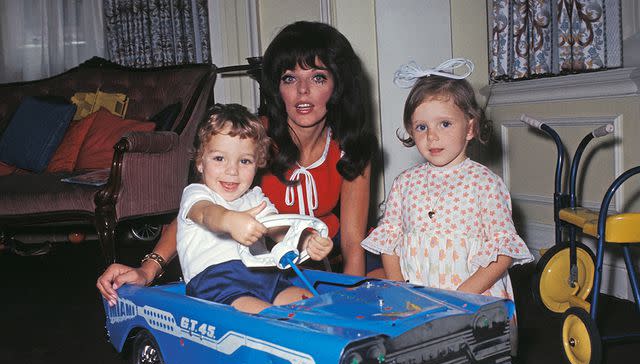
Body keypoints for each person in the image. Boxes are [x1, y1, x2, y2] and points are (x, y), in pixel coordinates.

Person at [97, 21, 377, 304]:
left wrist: (350, 306)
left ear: (337, 85)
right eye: (290, 78)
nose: (302, 91)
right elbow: (196, 211)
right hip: (249, 265)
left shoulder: (351, 145)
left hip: (317, 254)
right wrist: (147, 269)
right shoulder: (250, 139)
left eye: (318, 78)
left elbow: (354, 244)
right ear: (277, 87)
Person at [361, 59, 533, 300]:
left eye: (445, 124)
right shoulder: (404, 183)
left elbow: (503, 252)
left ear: (470, 128)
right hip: (417, 296)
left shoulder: (485, 183)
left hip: (473, 295)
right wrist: (399, 286)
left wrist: (462, 295)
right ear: (411, 130)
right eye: (421, 127)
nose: (432, 136)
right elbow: (389, 241)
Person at [140, 103, 332, 314]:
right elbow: (206, 214)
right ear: (200, 162)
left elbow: (279, 231)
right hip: (218, 284)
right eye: (219, 158)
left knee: (314, 308)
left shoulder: (255, 197)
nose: (232, 171)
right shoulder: (197, 194)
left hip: (266, 276)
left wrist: (306, 241)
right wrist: (229, 221)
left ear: (258, 162)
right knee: (267, 319)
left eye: (244, 161)